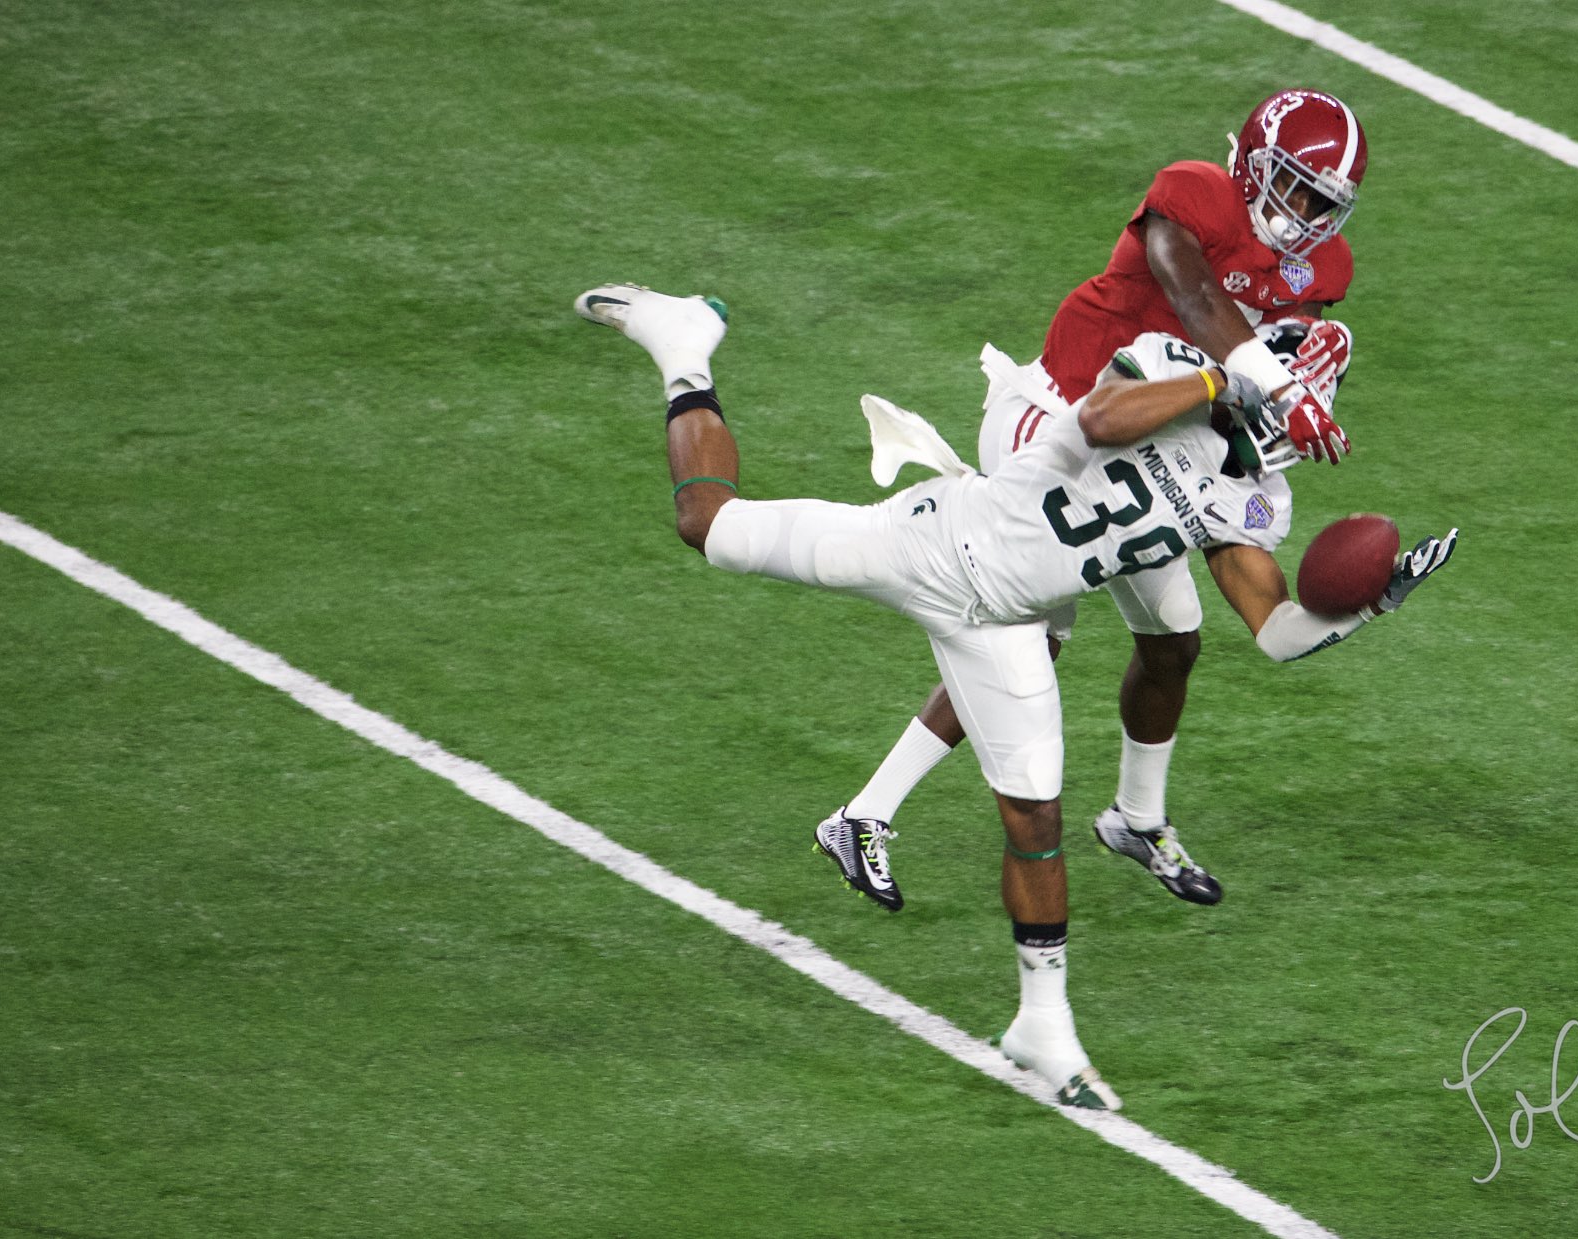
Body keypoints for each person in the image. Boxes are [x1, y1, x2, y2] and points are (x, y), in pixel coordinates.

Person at [572, 281, 1456, 1109]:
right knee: (710, 529)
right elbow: (1101, 417)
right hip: (931, 543)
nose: (1292, 427)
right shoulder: (1167, 363)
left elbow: (1275, 630)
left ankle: (1044, 1025)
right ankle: (683, 346)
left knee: (1035, 819)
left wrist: (1369, 605)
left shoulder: (1256, 501)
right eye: (1293, 400)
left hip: (1002, 625)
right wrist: (1223, 379)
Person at [819, 88, 1370, 911]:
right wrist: (1279, 384)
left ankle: (1136, 819)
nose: (1305, 214)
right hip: (1056, 416)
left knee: (1173, 644)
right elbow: (1197, 300)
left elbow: (1251, 374)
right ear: (1255, 164)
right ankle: (863, 813)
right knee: (1028, 635)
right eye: (1293, 186)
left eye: (1323, 202)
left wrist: (1290, 387)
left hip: (1146, 449)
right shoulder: (1196, 193)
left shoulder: (1320, 270)